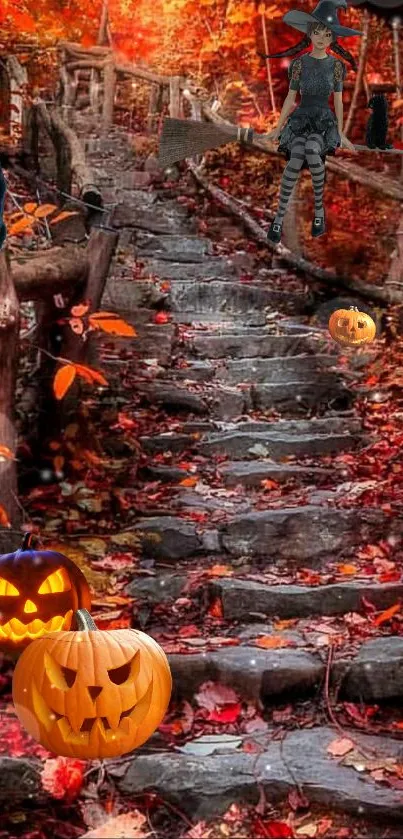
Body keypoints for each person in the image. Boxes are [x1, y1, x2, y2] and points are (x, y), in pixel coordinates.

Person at [260, 0, 362, 242]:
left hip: (323, 121)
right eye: (317, 32)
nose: (321, 37)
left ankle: (318, 212)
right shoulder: (299, 64)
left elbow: (337, 101)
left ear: (332, 38)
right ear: (309, 33)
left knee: (312, 150)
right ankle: (278, 219)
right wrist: (277, 128)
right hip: (300, 117)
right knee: (294, 159)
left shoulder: (336, 66)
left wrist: (342, 132)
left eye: (327, 34)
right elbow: (290, 97)